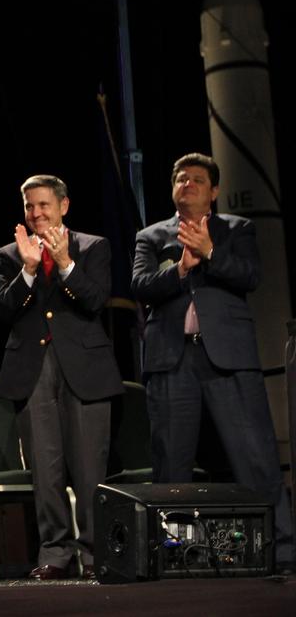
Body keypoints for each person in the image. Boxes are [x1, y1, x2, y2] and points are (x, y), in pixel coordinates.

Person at [131, 152, 293, 569]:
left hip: (229, 359)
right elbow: (141, 286)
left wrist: (211, 252)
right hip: (172, 361)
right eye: (181, 178)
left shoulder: (237, 229)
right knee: (172, 466)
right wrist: (181, 271)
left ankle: (284, 550)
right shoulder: (151, 236)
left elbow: (250, 276)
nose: (188, 184)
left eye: (198, 179)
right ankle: (175, 555)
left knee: (255, 457)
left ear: (214, 190)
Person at [0, 175, 121, 580]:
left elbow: (97, 300)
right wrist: (29, 269)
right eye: (30, 206)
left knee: (88, 468)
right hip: (32, 369)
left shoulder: (92, 246)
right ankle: (55, 552)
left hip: (83, 368)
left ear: (63, 206)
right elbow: (5, 310)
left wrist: (65, 265)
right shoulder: (12, 254)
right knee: (45, 470)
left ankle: (93, 552)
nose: (36, 214)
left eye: (44, 205)